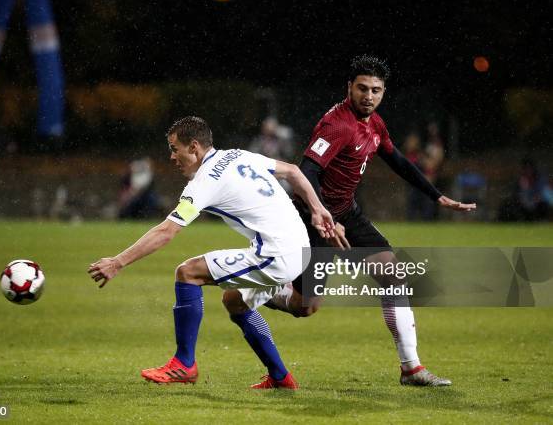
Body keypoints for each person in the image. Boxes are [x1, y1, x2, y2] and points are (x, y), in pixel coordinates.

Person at [252, 55, 476, 387]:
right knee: (305, 307)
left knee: (392, 274)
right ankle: (257, 291)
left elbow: (396, 159)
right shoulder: (337, 125)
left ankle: (411, 368)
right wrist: (323, 216)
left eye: (376, 90)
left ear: (383, 92)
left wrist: (436, 195)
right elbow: (307, 171)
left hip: (347, 214)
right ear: (349, 88)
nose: (368, 96)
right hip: (309, 217)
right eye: (362, 88)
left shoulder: (373, 123)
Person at [87, 116, 338, 389]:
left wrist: (118, 262)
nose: (172, 157)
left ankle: (184, 364)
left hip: (276, 255)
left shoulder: (205, 181)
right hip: (298, 247)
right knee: (235, 301)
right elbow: (292, 170)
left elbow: (166, 231)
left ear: (194, 147)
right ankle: (280, 377)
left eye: (175, 148)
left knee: (188, 273)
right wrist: (317, 208)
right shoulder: (237, 154)